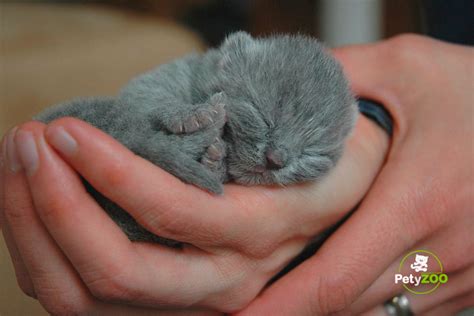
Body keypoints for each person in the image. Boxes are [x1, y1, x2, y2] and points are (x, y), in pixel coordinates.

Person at [0, 34, 472, 315]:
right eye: (262, 121)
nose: (277, 159)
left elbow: (428, 274)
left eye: (310, 152)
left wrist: (410, 292)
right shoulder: (215, 79)